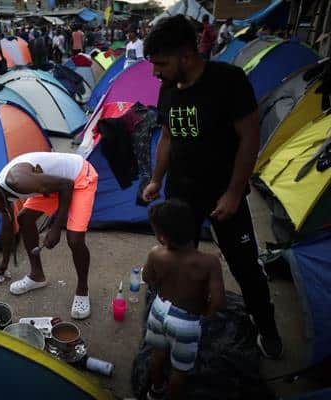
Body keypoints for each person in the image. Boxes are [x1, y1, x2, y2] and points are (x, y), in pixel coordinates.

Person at [141, 15, 283, 358]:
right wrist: (157, 179)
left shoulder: (228, 81)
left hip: (223, 191)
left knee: (245, 264)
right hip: (181, 192)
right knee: (174, 255)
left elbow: (250, 136)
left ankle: (267, 328)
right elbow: (168, 136)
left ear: (187, 55)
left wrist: (235, 192)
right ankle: (177, 313)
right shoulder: (168, 88)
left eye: (161, 63)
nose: (155, 72)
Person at [0, 152, 98, 319]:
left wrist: (56, 227)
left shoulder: (18, 182)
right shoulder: (0, 193)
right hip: (54, 184)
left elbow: (67, 185)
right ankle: (37, 276)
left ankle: (82, 290)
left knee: (74, 239)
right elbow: (7, 228)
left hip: (78, 176)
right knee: (24, 218)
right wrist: (4, 262)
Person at [143, 199, 226, 400]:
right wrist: (204, 313)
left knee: (157, 354)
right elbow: (218, 302)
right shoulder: (209, 263)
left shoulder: (156, 254)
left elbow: (147, 278)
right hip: (186, 323)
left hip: (159, 310)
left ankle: (155, 391)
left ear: (163, 237)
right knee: (179, 370)